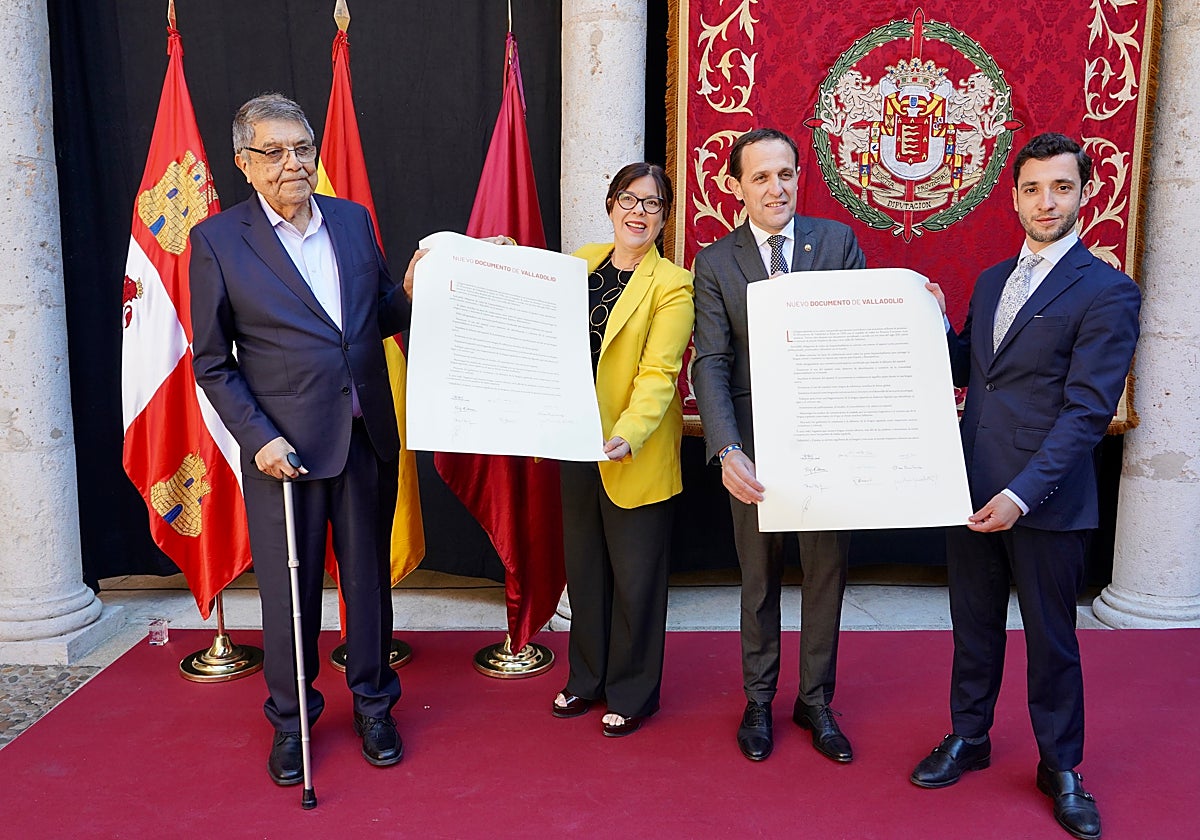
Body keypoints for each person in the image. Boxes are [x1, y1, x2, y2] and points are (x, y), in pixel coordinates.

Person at [911, 133, 1140, 840]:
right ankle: (969, 737)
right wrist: (918, 312)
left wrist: (1021, 495)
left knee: (1052, 641)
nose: (1047, 201)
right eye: (1034, 189)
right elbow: (965, 364)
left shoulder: (1108, 290)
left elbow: (1086, 413)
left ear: (1084, 194)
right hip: (971, 487)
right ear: (1013, 197)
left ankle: (1062, 767)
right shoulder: (988, 282)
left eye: (1062, 188)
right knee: (973, 630)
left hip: (1045, 500)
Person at [190, 93, 407, 785]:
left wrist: (460, 272)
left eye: (303, 148)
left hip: (365, 432)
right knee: (292, 595)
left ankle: (375, 705)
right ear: (244, 164)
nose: (293, 163)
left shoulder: (351, 221)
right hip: (283, 450)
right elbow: (212, 362)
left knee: (369, 586)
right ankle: (292, 719)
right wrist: (257, 437)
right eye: (275, 152)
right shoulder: (219, 242)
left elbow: (385, 314)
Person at [691, 128, 866, 763]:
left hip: (826, 442)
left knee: (826, 576)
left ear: (800, 176)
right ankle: (759, 699)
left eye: (786, 173)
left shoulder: (838, 241)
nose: (776, 187)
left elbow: (860, 336)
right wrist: (726, 449)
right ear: (735, 185)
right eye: (761, 176)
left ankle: (816, 700)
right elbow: (709, 361)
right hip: (754, 452)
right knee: (759, 580)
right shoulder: (714, 262)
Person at [551, 163, 695, 736]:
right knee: (585, 573)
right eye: (629, 200)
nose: (639, 212)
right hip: (574, 444)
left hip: (630, 451)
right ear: (611, 204)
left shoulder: (673, 285)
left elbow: (660, 375)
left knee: (635, 581)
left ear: (663, 218)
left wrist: (626, 434)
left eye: (653, 204)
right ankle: (585, 679)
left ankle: (634, 692)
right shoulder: (580, 263)